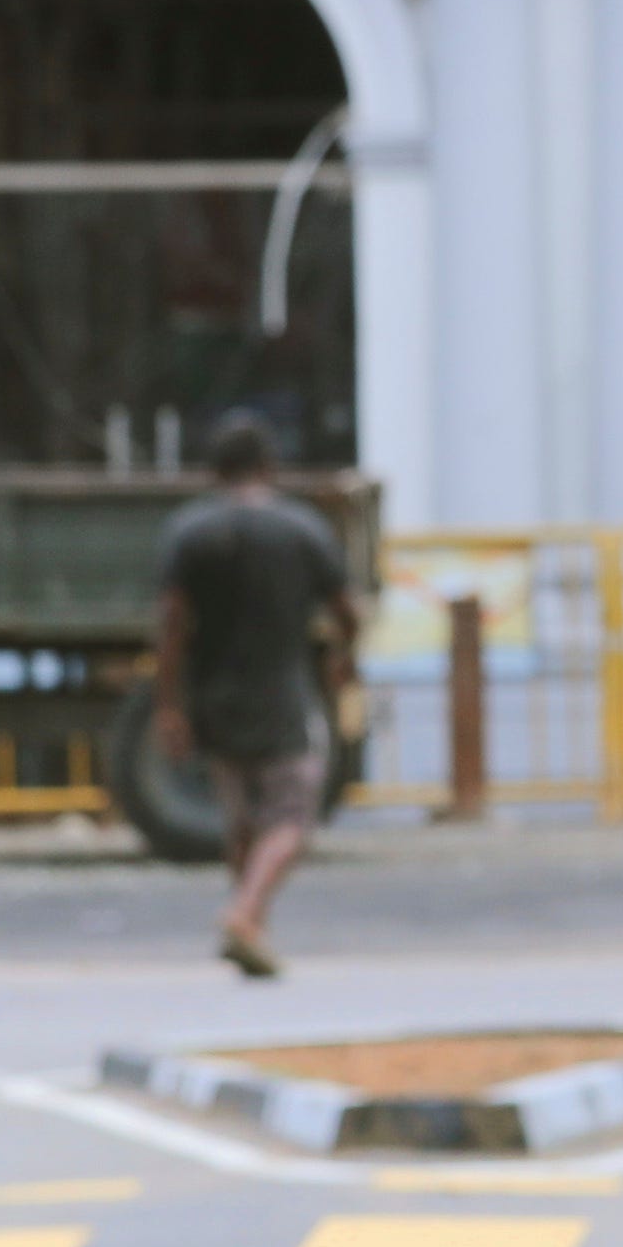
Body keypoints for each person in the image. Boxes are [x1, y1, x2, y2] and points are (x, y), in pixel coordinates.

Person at [152, 413, 354, 980]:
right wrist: (344, 656)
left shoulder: (190, 533)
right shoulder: (303, 529)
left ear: (214, 470)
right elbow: (346, 610)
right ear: (269, 466)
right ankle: (244, 913)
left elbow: (170, 623)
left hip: (214, 693)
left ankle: (253, 926)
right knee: (291, 815)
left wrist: (169, 704)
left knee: (241, 818)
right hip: (283, 692)